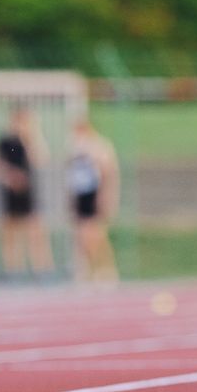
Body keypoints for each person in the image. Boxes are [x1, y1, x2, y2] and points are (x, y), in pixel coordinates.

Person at [0, 106, 53, 278]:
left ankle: (42, 270)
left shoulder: (31, 141)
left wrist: (32, 135)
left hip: (30, 193)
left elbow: (41, 159)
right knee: (11, 232)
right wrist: (10, 177)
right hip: (10, 192)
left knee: (36, 231)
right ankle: (13, 270)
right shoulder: (5, 142)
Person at [67, 116, 119, 283]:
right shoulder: (75, 148)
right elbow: (72, 176)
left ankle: (105, 269)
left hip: (94, 194)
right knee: (81, 236)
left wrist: (105, 196)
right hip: (81, 195)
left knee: (96, 234)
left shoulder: (99, 146)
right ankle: (87, 270)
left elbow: (107, 173)